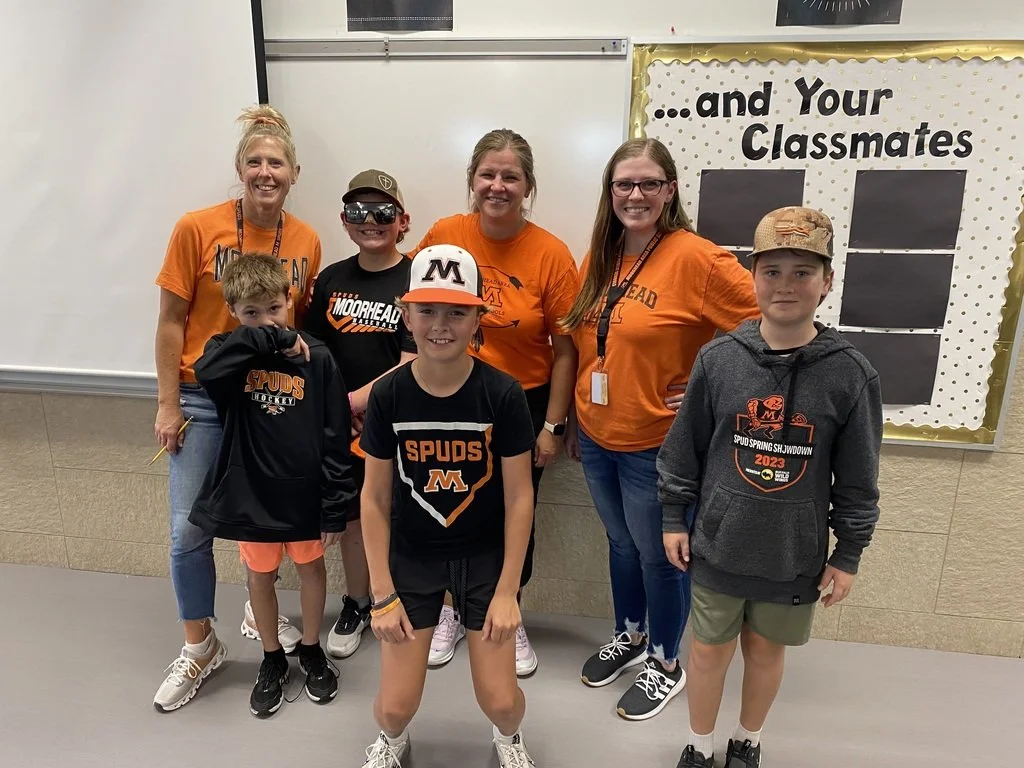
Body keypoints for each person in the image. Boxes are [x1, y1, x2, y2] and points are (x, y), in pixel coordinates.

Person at [657, 207, 882, 768]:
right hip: (719, 545)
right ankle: (699, 746)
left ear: (827, 281)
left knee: (765, 652)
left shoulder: (850, 374)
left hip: (791, 555)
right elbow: (683, 450)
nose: (786, 285)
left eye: (803, 272)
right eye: (772, 271)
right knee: (707, 653)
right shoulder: (719, 359)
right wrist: (673, 516)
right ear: (753, 277)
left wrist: (848, 553)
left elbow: (859, 480)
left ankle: (747, 740)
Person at [560, 137, 759, 721]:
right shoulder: (600, 255)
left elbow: (769, 326)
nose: (636, 195)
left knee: (661, 555)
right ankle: (630, 632)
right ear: (610, 192)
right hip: (597, 434)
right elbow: (585, 342)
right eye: (624, 184)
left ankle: (666, 662)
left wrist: (707, 386)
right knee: (621, 544)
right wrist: (571, 418)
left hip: (657, 444)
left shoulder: (698, 259)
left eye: (649, 183)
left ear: (670, 190)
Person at [152, 105, 321, 712]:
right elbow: (170, 321)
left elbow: (293, 325)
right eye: (254, 161)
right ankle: (200, 644)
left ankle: (260, 605)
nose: (265, 172)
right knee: (188, 529)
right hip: (202, 399)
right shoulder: (196, 228)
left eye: (276, 162)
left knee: (268, 521)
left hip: (269, 400)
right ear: (239, 168)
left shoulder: (306, 240)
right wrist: (168, 403)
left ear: (294, 173)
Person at [357, 245, 537, 768]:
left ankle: (510, 740)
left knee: (501, 702)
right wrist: (381, 593)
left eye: (457, 312)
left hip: (483, 557)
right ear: (406, 315)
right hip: (414, 555)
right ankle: (392, 742)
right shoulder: (389, 395)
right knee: (394, 709)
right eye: (427, 310)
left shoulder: (503, 394)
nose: (440, 325)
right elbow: (374, 497)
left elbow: (520, 496)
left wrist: (508, 591)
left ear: (478, 319)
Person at [411, 129, 579, 675]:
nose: (498, 186)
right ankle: (448, 609)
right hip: (447, 395)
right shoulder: (444, 235)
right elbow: (413, 310)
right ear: (472, 180)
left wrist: (553, 425)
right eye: (488, 174)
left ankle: (508, 609)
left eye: (511, 176)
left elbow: (565, 349)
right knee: (444, 503)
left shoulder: (551, 253)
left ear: (528, 185)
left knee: (513, 511)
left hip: (521, 404)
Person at [188, 254, 356, 717]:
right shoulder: (228, 354)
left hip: (304, 496)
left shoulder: (318, 357)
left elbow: (335, 436)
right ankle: (271, 657)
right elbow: (205, 372)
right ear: (233, 313)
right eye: (251, 313)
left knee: (311, 570)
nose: (266, 320)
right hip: (253, 496)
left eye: (274, 309)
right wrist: (271, 337)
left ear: (290, 299)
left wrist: (335, 505)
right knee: (260, 577)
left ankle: (311, 649)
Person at [304, 169, 418, 659]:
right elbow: (312, 352)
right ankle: (358, 601)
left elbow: (413, 360)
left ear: (402, 221)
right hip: (340, 426)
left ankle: (405, 601)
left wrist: (353, 403)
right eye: (358, 211)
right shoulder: (330, 279)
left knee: (404, 516)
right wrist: (335, 408)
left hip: (397, 422)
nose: (370, 221)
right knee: (354, 519)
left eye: (382, 211)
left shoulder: (416, 278)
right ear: (344, 220)